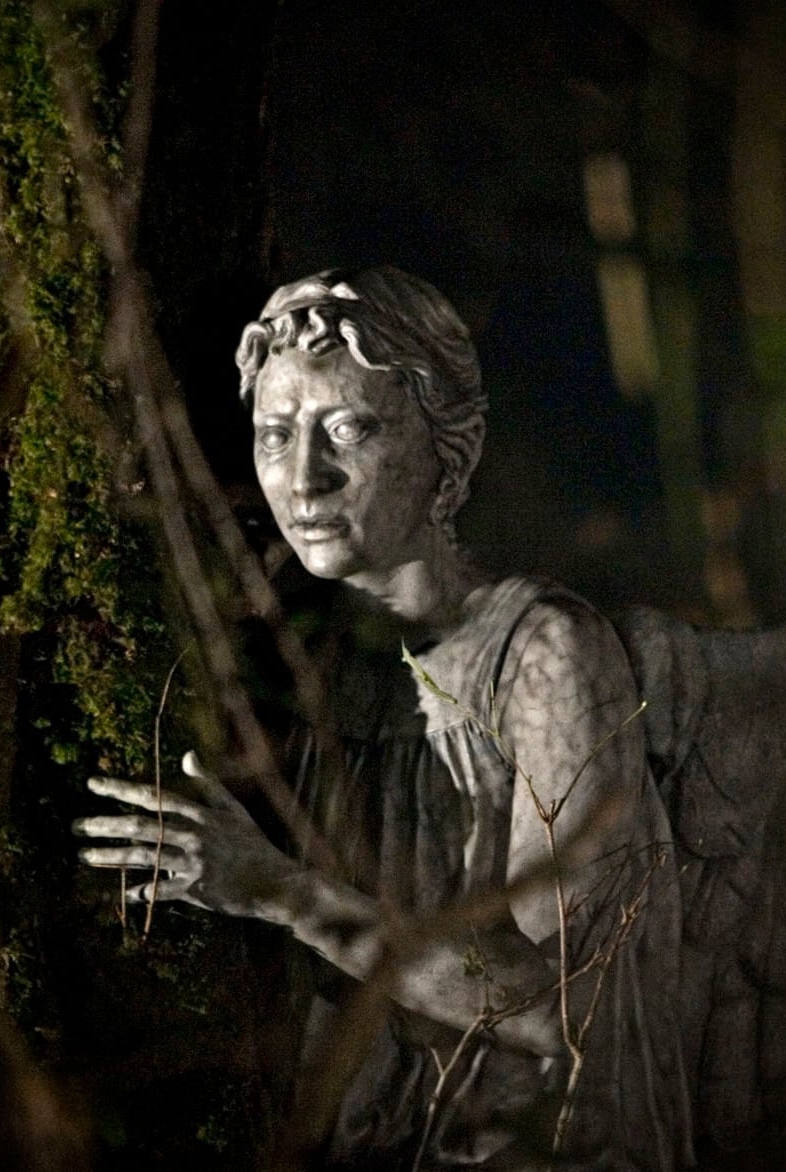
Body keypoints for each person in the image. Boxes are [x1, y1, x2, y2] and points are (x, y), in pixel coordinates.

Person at [75, 267, 690, 1170]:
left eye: (347, 429)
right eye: (275, 435)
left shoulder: (542, 656)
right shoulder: (292, 660)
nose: (304, 480)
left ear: (451, 451)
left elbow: (569, 1007)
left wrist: (282, 894)